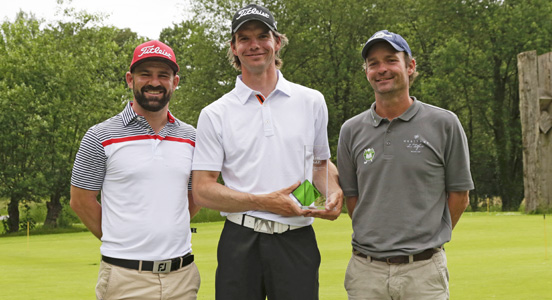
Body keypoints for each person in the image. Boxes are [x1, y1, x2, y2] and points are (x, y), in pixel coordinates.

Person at [191, 4, 343, 300]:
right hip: (240, 239)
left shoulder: (311, 101)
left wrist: (331, 192)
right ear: (233, 48)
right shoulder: (215, 113)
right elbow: (203, 190)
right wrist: (266, 202)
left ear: (277, 42)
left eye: (263, 36)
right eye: (244, 38)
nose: (255, 45)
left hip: (296, 239)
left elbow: (318, 166)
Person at [337, 30, 474, 300]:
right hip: (366, 272)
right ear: (366, 70)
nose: (382, 69)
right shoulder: (350, 130)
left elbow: (460, 196)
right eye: (373, 63)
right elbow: (352, 199)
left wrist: (425, 241)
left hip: (424, 273)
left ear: (410, 66)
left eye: (390, 60)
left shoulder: (444, 124)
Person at [70, 40, 200, 300]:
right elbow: (81, 201)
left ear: (175, 82)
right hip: (125, 278)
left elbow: (193, 198)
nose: (154, 82)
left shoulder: (192, 137)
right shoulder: (99, 136)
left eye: (163, 75)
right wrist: (123, 241)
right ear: (130, 79)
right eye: (145, 74)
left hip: (182, 277)